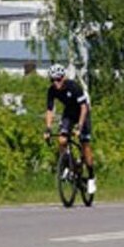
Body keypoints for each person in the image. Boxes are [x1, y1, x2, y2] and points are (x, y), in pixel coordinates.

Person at [44, 64, 95, 197]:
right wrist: (48, 129)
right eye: (53, 80)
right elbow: (50, 110)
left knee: (85, 145)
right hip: (69, 113)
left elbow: (84, 108)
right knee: (62, 139)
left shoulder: (73, 86)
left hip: (82, 113)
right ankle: (68, 165)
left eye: (58, 79)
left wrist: (79, 126)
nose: (56, 83)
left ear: (63, 77)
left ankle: (91, 177)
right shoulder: (52, 90)